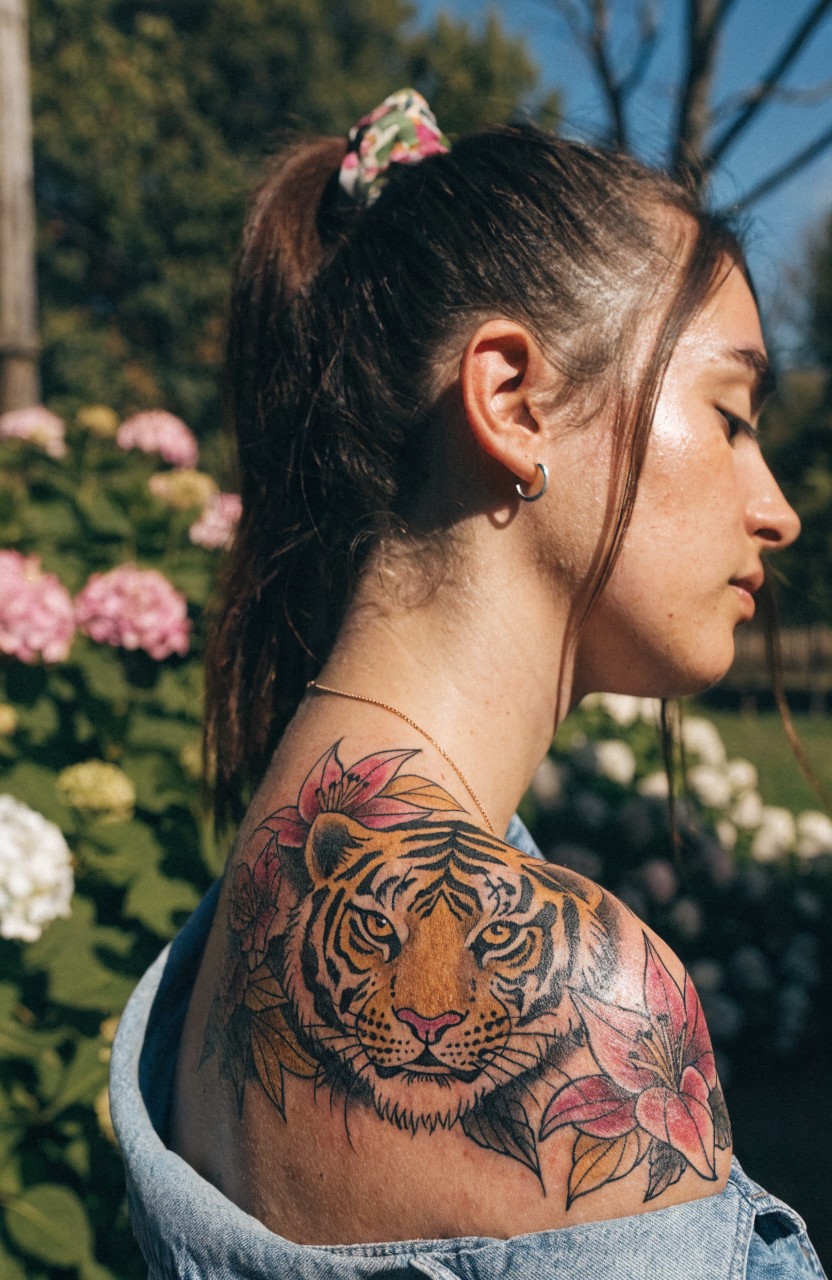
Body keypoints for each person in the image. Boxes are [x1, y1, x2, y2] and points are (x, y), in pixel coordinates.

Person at [110, 90, 826, 1278]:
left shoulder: (237, 916)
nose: (780, 510)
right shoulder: (588, 995)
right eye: (732, 413)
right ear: (512, 400)